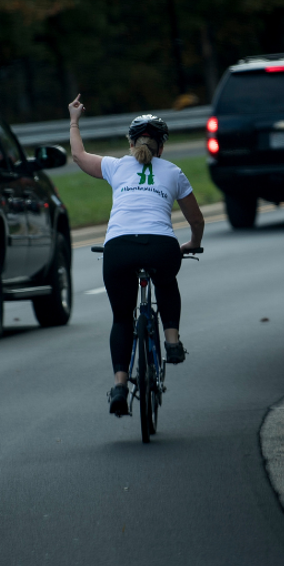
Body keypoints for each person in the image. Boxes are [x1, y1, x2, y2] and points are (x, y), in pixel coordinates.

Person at [68, 95, 205, 416]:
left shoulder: (115, 166)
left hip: (119, 247)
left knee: (121, 317)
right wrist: (193, 242)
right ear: (161, 147)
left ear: (131, 143)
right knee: (166, 280)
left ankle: (118, 385)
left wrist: (74, 119)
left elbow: (77, 155)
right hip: (161, 246)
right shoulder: (173, 171)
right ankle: (172, 341)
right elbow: (196, 219)